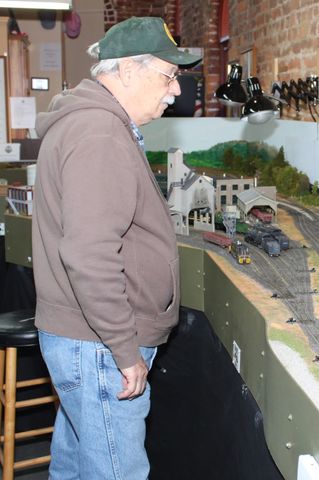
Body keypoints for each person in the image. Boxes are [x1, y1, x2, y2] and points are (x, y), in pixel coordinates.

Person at [31, 17, 201, 479]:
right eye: (169, 75)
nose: (175, 90)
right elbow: (90, 254)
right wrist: (124, 350)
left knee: (74, 465)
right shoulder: (100, 134)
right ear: (127, 70)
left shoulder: (93, 124)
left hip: (86, 339)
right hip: (99, 346)